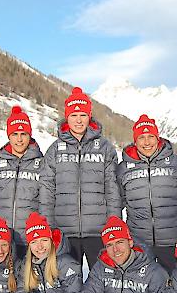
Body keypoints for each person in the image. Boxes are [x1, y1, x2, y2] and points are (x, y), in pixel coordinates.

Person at [39, 87, 121, 269]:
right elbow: (47, 189)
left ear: (89, 117)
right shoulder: (54, 150)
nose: (78, 120)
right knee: (68, 284)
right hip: (64, 230)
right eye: (74, 115)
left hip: (98, 230)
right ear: (67, 116)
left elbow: (112, 188)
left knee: (103, 282)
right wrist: (49, 227)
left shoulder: (104, 147)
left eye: (83, 115)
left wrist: (114, 223)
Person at [116, 114, 177, 271]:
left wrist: (176, 206)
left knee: (172, 287)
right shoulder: (123, 168)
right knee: (142, 290)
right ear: (135, 141)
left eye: (151, 136)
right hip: (138, 241)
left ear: (158, 138)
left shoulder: (176, 163)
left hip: (171, 240)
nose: (147, 142)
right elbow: (118, 200)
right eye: (142, 137)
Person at [0, 105, 44, 259]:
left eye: (23, 134)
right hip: (2, 242)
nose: (19, 139)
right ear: (9, 136)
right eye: (15, 134)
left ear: (30, 136)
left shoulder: (42, 165)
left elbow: (47, 203)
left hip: (31, 241)